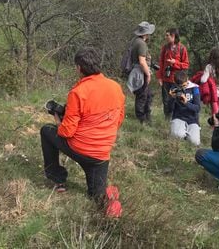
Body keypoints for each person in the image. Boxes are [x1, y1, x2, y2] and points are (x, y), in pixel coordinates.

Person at [40, 47, 125, 206]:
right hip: (101, 155)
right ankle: (110, 206)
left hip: (80, 148)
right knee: (96, 197)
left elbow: (66, 132)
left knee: (46, 131)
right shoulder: (116, 87)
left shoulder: (78, 92)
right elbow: (118, 120)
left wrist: (59, 119)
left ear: (79, 68)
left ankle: (57, 177)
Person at [156, 28, 189, 120]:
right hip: (166, 79)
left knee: (176, 100)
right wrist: (159, 77)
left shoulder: (182, 48)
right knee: (166, 101)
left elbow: (186, 65)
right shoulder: (165, 47)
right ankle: (167, 119)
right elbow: (161, 63)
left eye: (167, 35)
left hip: (177, 80)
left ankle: (176, 119)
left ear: (173, 36)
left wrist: (175, 63)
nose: (165, 37)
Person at [127, 21, 155, 124]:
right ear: (145, 34)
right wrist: (147, 75)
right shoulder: (141, 43)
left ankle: (146, 117)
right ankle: (141, 119)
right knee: (142, 96)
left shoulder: (135, 41)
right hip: (141, 72)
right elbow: (142, 62)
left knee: (147, 95)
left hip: (137, 70)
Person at [169, 70, 201, 146]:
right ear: (177, 84)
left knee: (194, 142)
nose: (184, 87)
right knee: (177, 136)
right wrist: (172, 98)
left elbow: (197, 108)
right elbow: (170, 109)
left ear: (187, 79)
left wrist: (187, 103)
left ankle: (190, 132)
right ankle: (181, 131)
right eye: (181, 86)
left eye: (185, 85)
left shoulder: (194, 88)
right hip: (179, 117)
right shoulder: (174, 89)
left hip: (192, 119)